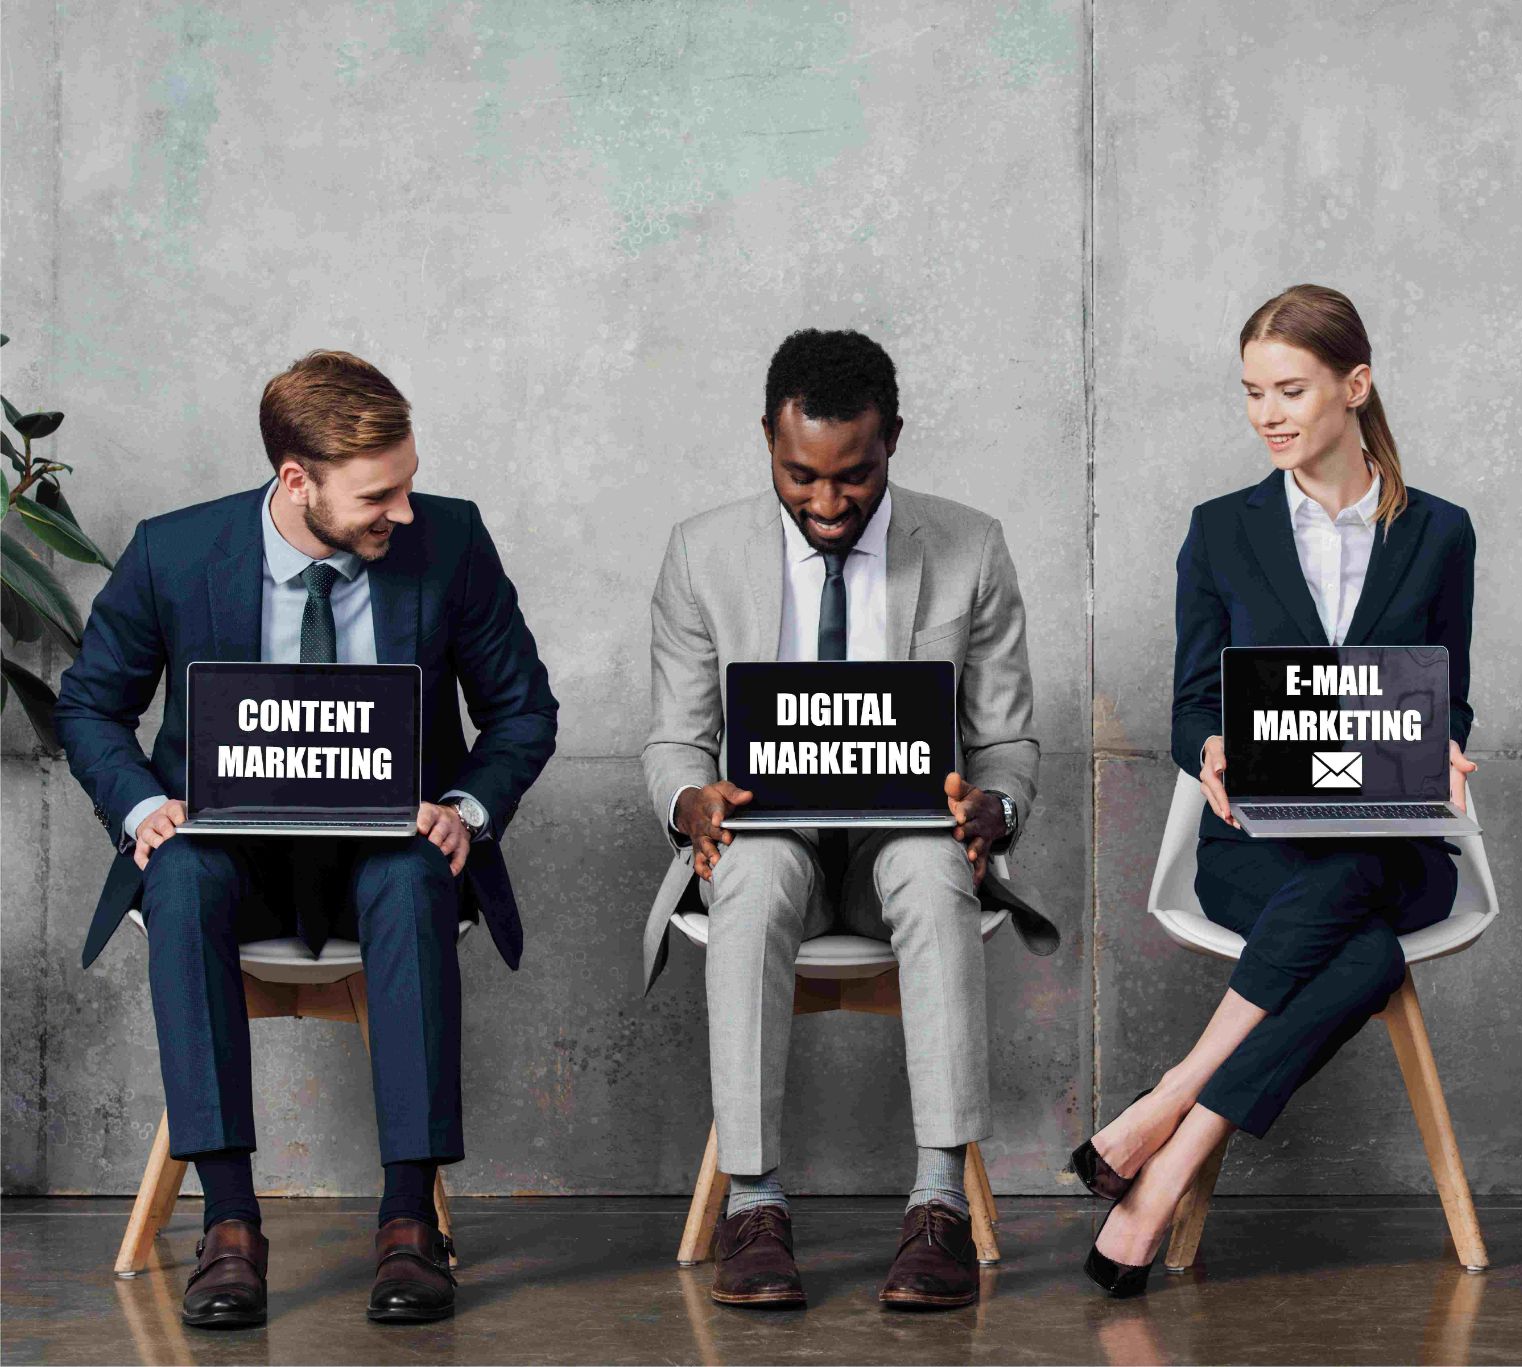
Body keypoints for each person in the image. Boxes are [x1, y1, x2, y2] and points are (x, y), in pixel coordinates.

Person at [53, 351, 557, 1327]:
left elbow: (520, 711)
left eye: (407, 483)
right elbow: (88, 705)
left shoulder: (449, 542)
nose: (402, 511)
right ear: (297, 480)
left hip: (385, 852)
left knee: (415, 874)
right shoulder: (175, 552)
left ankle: (410, 1219)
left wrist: (465, 805)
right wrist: (139, 806)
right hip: (235, 858)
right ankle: (231, 1224)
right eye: (379, 494)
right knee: (181, 869)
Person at [1075, 285, 1477, 1297]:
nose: (1267, 414)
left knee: (1357, 866)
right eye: (1251, 392)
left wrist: (1443, 751)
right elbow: (1188, 702)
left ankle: (1168, 1112)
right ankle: (1165, 1155)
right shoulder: (1219, 530)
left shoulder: (1438, 532)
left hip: (1392, 843)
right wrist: (1208, 749)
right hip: (1259, 847)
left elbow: (1448, 699)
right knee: (1365, 950)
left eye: (1289, 389)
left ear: (1354, 383)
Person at [639, 328, 1052, 1312]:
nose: (826, 503)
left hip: (899, 836)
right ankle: (752, 1202)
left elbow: (1005, 745)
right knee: (747, 862)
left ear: (892, 440)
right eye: (799, 477)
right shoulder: (702, 552)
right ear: (768, 444)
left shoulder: (969, 547)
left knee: (928, 861)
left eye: (853, 477)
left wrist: (990, 808)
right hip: (763, 830)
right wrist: (690, 798)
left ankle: (938, 1203)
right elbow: (675, 739)